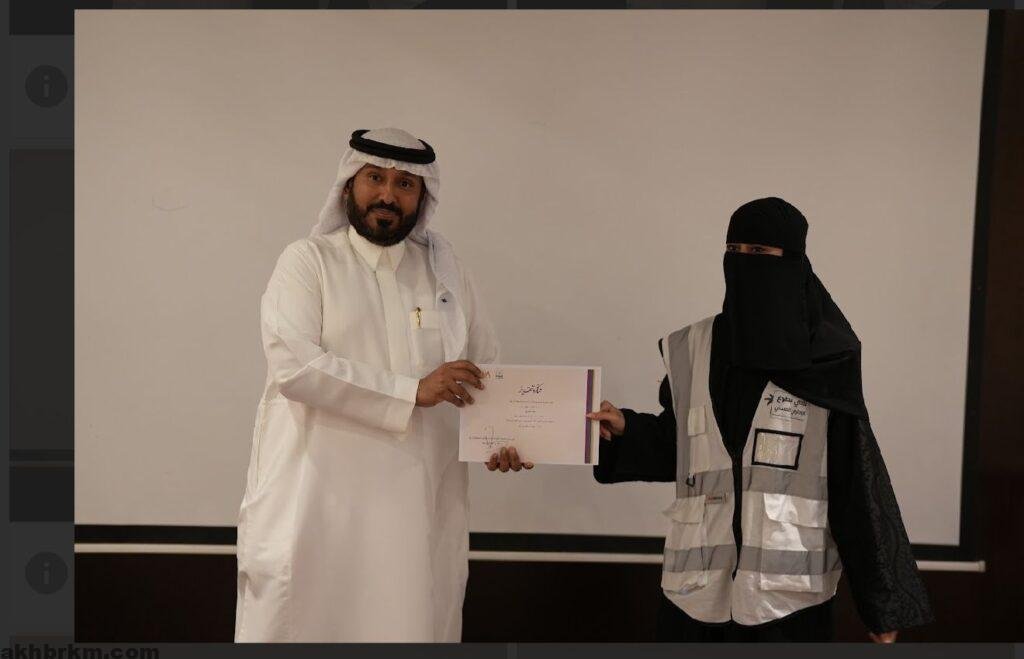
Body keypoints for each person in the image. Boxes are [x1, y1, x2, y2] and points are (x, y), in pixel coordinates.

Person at [588, 197, 933, 642]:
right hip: (693, 596)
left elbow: (855, 481)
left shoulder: (826, 358)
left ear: (793, 262)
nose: (743, 262)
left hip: (789, 605)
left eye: (759, 252)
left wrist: (881, 605)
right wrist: (626, 430)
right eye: (734, 250)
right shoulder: (691, 346)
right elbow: (685, 448)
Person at [234, 128, 502, 642]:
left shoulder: (448, 277)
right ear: (348, 186)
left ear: (422, 197)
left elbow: (485, 374)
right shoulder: (309, 261)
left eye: (405, 184)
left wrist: (505, 438)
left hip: (418, 512)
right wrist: (411, 391)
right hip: (317, 508)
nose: (388, 195)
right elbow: (296, 367)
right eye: (375, 178)